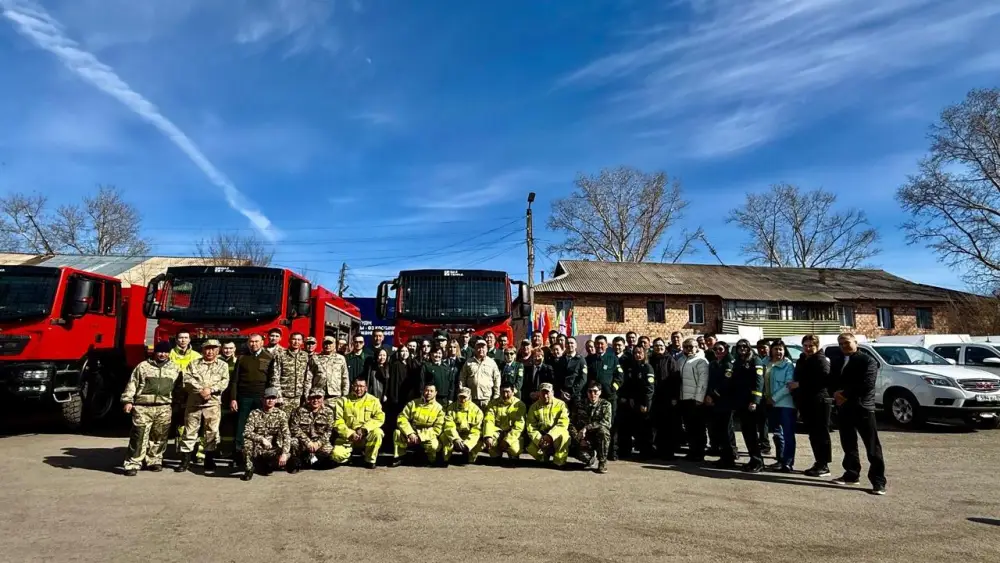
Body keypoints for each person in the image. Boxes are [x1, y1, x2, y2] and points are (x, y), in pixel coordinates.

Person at [830, 333, 887, 495]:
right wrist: (835, 394)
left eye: (847, 343)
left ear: (855, 342)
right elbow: (832, 380)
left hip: (863, 408)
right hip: (843, 408)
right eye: (840, 343)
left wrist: (844, 395)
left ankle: (878, 481)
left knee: (872, 446)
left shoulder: (867, 361)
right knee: (848, 444)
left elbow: (867, 384)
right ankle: (851, 474)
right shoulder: (837, 360)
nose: (843, 346)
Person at [121, 341, 181, 476]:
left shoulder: (175, 368)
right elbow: (132, 384)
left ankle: (154, 460)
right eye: (160, 351)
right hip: (143, 407)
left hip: (164, 408)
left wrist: (177, 404)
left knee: (159, 436)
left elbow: (178, 389)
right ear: (155, 352)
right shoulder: (143, 367)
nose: (162, 354)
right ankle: (133, 463)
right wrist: (128, 401)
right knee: (139, 435)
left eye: (165, 352)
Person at [176, 340, 229, 473]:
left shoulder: (223, 365)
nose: (210, 351)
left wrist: (211, 390)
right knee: (189, 432)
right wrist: (201, 390)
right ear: (203, 350)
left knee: (211, 432)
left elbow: (225, 381)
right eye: (207, 349)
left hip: (212, 404)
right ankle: (185, 461)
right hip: (194, 403)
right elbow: (187, 379)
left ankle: (209, 460)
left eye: (213, 349)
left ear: (218, 350)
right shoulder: (194, 363)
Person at [229, 333, 274, 467]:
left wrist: (269, 398)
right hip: (244, 397)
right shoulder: (242, 358)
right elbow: (235, 381)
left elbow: (271, 380)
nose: (253, 344)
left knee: (261, 427)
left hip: (261, 398)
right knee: (241, 426)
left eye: (256, 341)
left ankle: (260, 454)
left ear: (262, 342)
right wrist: (233, 399)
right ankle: (239, 454)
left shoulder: (269, 357)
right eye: (251, 342)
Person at [794, 334, 833, 477]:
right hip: (806, 401)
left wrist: (800, 384)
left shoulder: (821, 360)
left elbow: (824, 380)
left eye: (811, 346)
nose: (808, 348)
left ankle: (824, 464)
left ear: (817, 346)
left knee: (821, 433)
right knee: (813, 434)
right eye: (805, 345)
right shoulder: (802, 360)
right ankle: (818, 462)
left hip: (819, 400)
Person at [332, 376, 385, 469]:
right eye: (356, 386)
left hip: (365, 436)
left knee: (378, 433)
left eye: (361, 386)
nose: (358, 389)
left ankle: (369, 460)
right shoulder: (342, 401)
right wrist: (350, 433)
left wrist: (364, 429)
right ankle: (349, 456)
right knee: (336, 456)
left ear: (366, 388)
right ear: (352, 386)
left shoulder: (373, 400)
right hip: (348, 438)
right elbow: (337, 421)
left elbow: (379, 418)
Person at [729, 340, 765, 473]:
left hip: (751, 403)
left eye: (745, 346)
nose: (742, 349)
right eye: (739, 347)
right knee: (746, 433)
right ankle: (753, 459)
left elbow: (759, 381)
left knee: (752, 433)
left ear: (749, 348)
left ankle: (758, 462)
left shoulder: (755, 361)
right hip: (741, 402)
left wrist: (755, 400)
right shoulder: (738, 361)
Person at [240, 387, 291, 481]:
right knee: (247, 441)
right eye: (268, 398)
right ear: (262, 399)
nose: (270, 400)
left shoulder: (281, 414)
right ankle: (249, 469)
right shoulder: (254, 413)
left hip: (273, 449)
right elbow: (246, 432)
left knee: (276, 466)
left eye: (273, 398)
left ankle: (270, 465)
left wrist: (284, 453)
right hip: (258, 448)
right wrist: (262, 439)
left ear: (276, 400)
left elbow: (286, 435)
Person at [391, 383, 446, 467]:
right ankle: (400, 457)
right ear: (423, 391)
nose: (428, 393)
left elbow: (437, 429)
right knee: (397, 433)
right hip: (411, 435)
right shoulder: (413, 403)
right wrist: (410, 433)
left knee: (434, 445)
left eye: (431, 391)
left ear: (435, 393)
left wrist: (421, 437)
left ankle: (429, 458)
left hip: (426, 436)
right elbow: (402, 418)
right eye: (427, 390)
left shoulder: (439, 408)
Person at [588, 335, 624, 460]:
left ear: (606, 345)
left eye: (601, 344)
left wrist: (612, 388)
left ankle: (612, 452)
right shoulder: (590, 359)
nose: (599, 346)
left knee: (611, 424)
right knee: (594, 424)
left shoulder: (612, 358)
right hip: (594, 398)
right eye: (597, 344)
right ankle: (595, 451)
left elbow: (619, 376)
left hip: (609, 398)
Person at [618, 345, 655, 459]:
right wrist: (629, 398)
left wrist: (645, 404)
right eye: (635, 353)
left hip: (643, 403)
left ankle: (646, 453)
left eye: (640, 353)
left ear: (644, 354)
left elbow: (649, 389)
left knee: (645, 429)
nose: (637, 355)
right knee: (633, 428)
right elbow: (629, 385)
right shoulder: (632, 368)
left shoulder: (647, 368)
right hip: (633, 403)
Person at [765, 340, 797, 472]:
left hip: (785, 404)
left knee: (788, 434)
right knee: (777, 434)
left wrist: (774, 398)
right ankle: (780, 459)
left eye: (781, 349)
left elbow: (788, 385)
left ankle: (788, 462)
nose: (778, 352)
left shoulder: (788, 365)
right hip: (770, 404)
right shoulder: (766, 363)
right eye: (776, 349)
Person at [705, 342, 738, 468]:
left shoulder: (728, 364)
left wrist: (713, 395)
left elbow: (726, 383)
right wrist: (708, 395)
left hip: (725, 402)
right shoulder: (713, 364)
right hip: (714, 402)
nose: (718, 352)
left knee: (726, 431)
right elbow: (710, 381)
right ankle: (723, 456)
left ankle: (729, 459)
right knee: (719, 431)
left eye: (720, 349)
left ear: (726, 350)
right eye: (716, 350)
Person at [288, 388, 336, 472]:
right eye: (313, 398)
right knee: (293, 442)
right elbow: (294, 428)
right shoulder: (299, 411)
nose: (315, 400)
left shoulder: (328, 412)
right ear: (309, 399)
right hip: (303, 442)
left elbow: (329, 430)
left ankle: (309, 461)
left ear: (323, 399)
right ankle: (300, 461)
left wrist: (319, 443)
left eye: (318, 398)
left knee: (330, 455)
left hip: (319, 442)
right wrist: (307, 442)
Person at [651, 337, 683, 460]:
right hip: (655, 398)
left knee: (668, 426)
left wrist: (674, 397)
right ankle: (658, 449)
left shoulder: (670, 360)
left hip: (668, 398)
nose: (659, 348)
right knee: (656, 425)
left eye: (661, 346)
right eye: (656, 346)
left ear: (664, 347)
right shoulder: (651, 360)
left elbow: (675, 380)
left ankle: (668, 452)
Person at [525, 383, 571, 468]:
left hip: (555, 435)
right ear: (539, 393)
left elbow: (563, 423)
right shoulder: (533, 407)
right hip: (541, 437)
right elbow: (531, 426)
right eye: (543, 393)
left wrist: (550, 436)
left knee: (564, 436)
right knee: (531, 449)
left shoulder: (561, 405)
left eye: (548, 393)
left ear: (552, 393)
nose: (545, 396)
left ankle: (559, 462)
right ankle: (544, 457)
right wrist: (539, 440)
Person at [480, 382, 526, 465]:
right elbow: (488, 420)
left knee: (514, 449)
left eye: (507, 392)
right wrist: (488, 436)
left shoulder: (520, 405)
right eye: (502, 392)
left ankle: (513, 456)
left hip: (511, 433)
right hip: (498, 432)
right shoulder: (493, 403)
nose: (505, 395)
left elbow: (519, 426)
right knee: (491, 441)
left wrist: (507, 440)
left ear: (513, 392)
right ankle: (495, 456)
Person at [571, 381, 612, 474]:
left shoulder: (606, 404)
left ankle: (602, 461)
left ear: (600, 392)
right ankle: (591, 458)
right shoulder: (579, 404)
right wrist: (578, 438)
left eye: (595, 391)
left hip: (598, 437)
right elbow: (571, 423)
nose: (592, 394)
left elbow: (606, 422)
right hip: (584, 437)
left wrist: (587, 428)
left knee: (604, 432)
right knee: (583, 456)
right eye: (590, 391)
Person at [679, 338, 709, 462]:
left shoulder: (701, 361)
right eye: (686, 347)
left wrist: (699, 398)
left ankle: (699, 452)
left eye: (691, 346)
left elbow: (703, 381)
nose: (689, 349)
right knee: (689, 427)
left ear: (697, 347)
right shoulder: (682, 360)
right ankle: (692, 450)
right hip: (684, 398)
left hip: (695, 400)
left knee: (699, 428)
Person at [385, 346, 421, 448]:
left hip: (409, 397)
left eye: (406, 351)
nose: (404, 353)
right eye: (402, 351)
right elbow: (393, 383)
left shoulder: (412, 364)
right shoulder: (395, 365)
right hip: (398, 397)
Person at [270, 332, 311, 416]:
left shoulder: (306, 356)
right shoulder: (281, 355)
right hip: (284, 397)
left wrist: (306, 395)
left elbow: (308, 377)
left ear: (302, 342)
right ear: (289, 340)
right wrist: (278, 395)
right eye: (294, 339)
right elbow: (275, 376)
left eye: (299, 340)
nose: (296, 342)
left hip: (300, 397)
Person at [441, 387, 484, 465]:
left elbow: (476, 430)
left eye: (464, 397)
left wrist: (468, 444)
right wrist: (456, 439)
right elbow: (449, 425)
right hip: (455, 436)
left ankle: (470, 455)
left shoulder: (477, 411)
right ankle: (446, 457)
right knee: (444, 436)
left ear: (469, 397)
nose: (462, 399)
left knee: (481, 440)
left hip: (468, 436)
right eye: (460, 397)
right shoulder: (451, 408)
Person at [460, 339, 501, 410]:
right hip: (471, 398)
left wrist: (496, 395)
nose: (481, 349)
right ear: (475, 349)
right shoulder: (469, 362)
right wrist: (462, 391)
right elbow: (462, 377)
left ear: (487, 349)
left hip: (487, 399)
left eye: (483, 347)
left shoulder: (491, 363)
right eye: (478, 347)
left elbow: (497, 379)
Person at [311, 336, 350, 411]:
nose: (328, 346)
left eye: (330, 343)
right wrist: (307, 395)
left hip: (335, 395)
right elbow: (309, 378)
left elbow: (345, 378)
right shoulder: (315, 358)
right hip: (318, 396)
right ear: (322, 344)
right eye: (325, 343)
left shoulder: (341, 358)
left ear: (334, 345)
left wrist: (345, 395)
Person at [754, 339, 773, 456]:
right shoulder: (757, 359)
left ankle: (765, 445)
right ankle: (762, 443)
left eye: (764, 347)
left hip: (769, 395)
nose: (762, 350)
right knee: (761, 421)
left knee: (766, 422)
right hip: (759, 395)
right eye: (759, 347)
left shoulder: (771, 360)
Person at [563, 338, 588, 409]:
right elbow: (558, 377)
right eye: (567, 343)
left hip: (576, 395)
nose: (569, 345)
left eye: (572, 343)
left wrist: (572, 392)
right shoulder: (561, 360)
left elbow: (583, 379)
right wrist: (562, 392)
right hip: (563, 395)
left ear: (576, 345)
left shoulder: (581, 360)